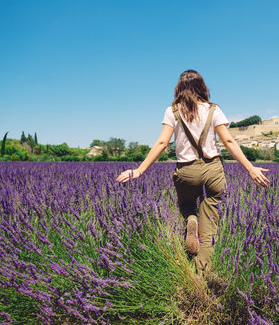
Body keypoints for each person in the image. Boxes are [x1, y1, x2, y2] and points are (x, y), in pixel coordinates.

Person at [116, 69, 270, 276]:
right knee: (210, 223)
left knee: (187, 205)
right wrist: (250, 169)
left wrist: (139, 170)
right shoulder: (214, 110)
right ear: (202, 87)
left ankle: (191, 219)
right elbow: (229, 141)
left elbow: (162, 143)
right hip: (213, 168)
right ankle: (202, 274)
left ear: (179, 88)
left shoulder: (172, 111)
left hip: (186, 170)